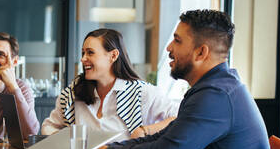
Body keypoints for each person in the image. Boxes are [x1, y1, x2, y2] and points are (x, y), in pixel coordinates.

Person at [94, 9, 275, 149]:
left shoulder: (216, 95)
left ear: (201, 52)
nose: (169, 48)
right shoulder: (213, 88)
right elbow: (163, 139)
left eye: (177, 41)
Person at [42, 29, 179, 140]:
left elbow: (178, 118)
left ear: (113, 56)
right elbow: (48, 127)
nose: (83, 59)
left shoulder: (143, 93)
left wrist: (145, 131)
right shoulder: (72, 93)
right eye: (83, 53)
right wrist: (66, 140)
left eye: (90, 53)